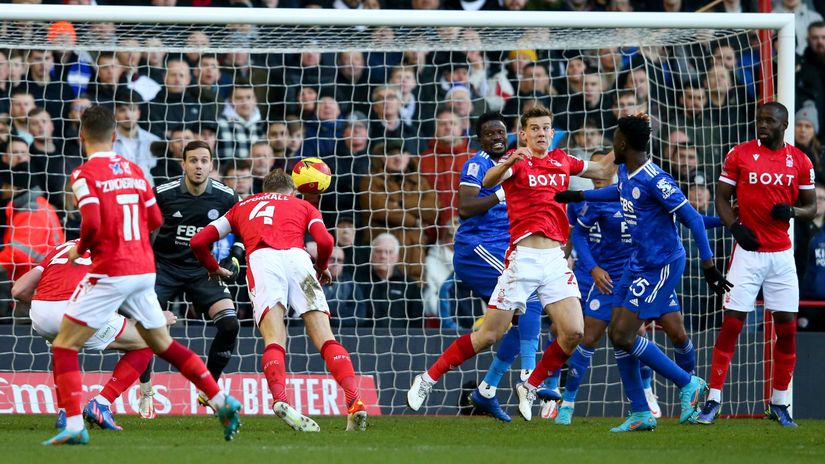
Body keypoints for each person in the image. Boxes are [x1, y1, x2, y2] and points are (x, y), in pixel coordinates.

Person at [42, 105, 240, 446]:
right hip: (145, 269)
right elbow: (155, 219)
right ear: (114, 137)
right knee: (161, 343)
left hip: (111, 269)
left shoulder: (83, 174)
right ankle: (221, 400)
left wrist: (79, 249)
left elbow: (92, 222)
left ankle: (74, 425)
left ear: (82, 136)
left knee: (63, 344)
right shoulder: (134, 170)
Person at [406, 105, 616, 420]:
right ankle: (430, 378)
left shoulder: (562, 159)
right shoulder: (512, 161)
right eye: (535, 128)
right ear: (524, 134)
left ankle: (515, 386)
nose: (541, 133)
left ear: (552, 132)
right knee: (493, 332)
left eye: (545, 128)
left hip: (553, 259)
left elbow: (602, 170)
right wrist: (509, 163)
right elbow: (487, 181)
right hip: (510, 255)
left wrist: (626, 137)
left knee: (574, 331)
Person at [555, 114, 730, 432]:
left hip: (661, 265)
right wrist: (580, 195)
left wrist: (708, 265)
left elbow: (693, 219)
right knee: (619, 336)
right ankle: (640, 411)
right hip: (636, 264)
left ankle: (688, 382)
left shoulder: (656, 180)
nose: (612, 144)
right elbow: (618, 192)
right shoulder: (625, 171)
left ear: (622, 143)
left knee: (629, 334)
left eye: (614, 139)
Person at [189, 169, 368, 432]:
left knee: (274, 337)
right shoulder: (302, 205)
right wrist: (321, 266)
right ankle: (354, 401)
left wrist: (213, 267)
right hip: (298, 260)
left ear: (264, 189)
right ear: (292, 191)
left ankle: (281, 400)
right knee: (325, 337)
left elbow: (197, 242)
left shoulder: (242, 206)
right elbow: (325, 240)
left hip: (263, 261)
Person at [697, 102, 817, 427]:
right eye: (759, 120)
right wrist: (734, 227)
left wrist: (792, 212)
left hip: (781, 256)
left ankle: (779, 403)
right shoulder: (739, 154)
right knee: (732, 324)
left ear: (784, 125)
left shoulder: (800, 160)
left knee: (787, 329)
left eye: (769, 121)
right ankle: (713, 400)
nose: (762, 125)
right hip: (747, 254)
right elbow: (721, 197)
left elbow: (811, 207)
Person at [441, 112, 544, 422]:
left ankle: (485, 390)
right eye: (489, 133)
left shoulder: (515, 161)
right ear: (480, 139)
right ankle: (529, 378)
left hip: (506, 247)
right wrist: (500, 194)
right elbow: (465, 208)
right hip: (479, 247)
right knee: (530, 300)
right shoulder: (477, 164)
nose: (497, 137)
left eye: (500, 132)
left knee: (507, 325)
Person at [12, 239, 176, 431]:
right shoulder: (118, 247)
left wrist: (51, 308)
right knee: (148, 341)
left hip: (42, 313)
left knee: (63, 347)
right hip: (80, 310)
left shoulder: (63, 247)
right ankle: (101, 403)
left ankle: (67, 414)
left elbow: (18, 291)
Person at [555, 150, 664, 425]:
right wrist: (587, 266)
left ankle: (647, 393)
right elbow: (576, 234)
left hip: (634, 276)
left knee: (636, 334)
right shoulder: (589, 202)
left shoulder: (633, 195)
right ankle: (566, 402)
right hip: (602, 278)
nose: (597, 174)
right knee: (585, 336)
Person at [138, 140, 242, 418]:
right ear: (183, 164)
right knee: (146, 327)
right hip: (163, 268)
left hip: (203, 270)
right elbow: (139, 228)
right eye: (193, 160)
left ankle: (210, 388)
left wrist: (234, 256)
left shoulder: (226, 196)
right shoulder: (163, 194)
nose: (198, 166)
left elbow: (244, 228)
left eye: (204, 161)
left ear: (211, 165)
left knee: (230, 324)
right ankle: (146, 390)